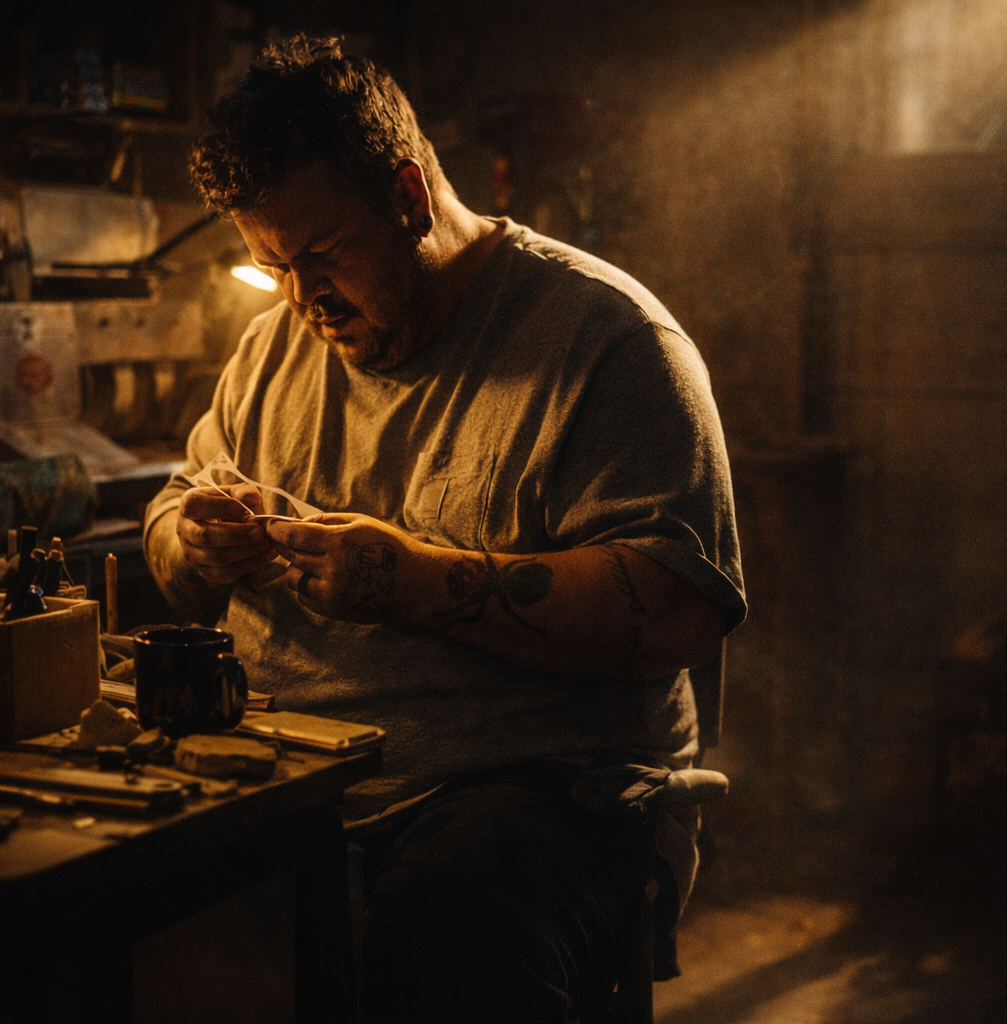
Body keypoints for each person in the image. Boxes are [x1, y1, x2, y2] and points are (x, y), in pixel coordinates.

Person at [145, 35, 745, 1020]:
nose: (300, 299)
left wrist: (410, 581)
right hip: (284, 777)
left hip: (533, 789)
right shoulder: (270, 350)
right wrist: (194, 538)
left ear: (411, 198)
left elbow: (678, 613)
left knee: (446, 941)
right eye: (269, 265)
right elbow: (169, 524)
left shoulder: (606, 342)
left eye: (322, 256)